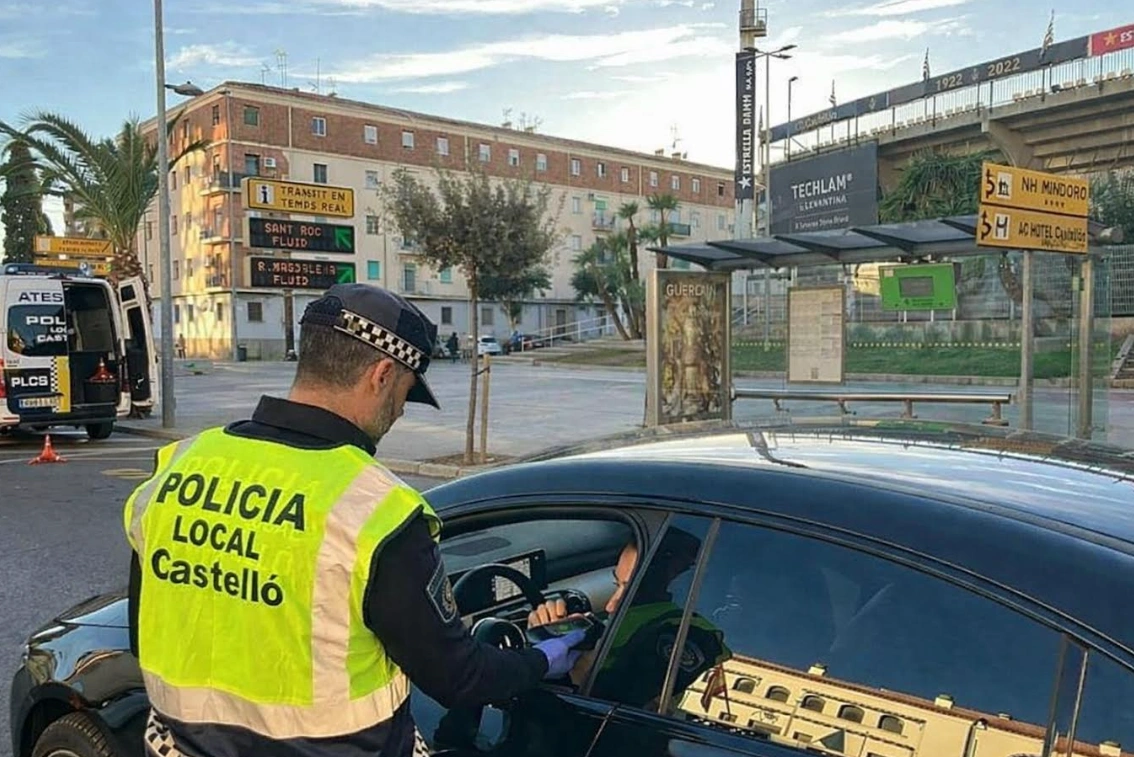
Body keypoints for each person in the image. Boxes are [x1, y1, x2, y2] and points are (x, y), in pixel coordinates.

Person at [122, 283, 587, 757]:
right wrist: (539, 659)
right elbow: (457, 676)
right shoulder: (376, 510)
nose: (402, 410)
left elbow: (147, 632)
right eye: (407, 391)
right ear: (382, 375)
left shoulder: (178, 468)